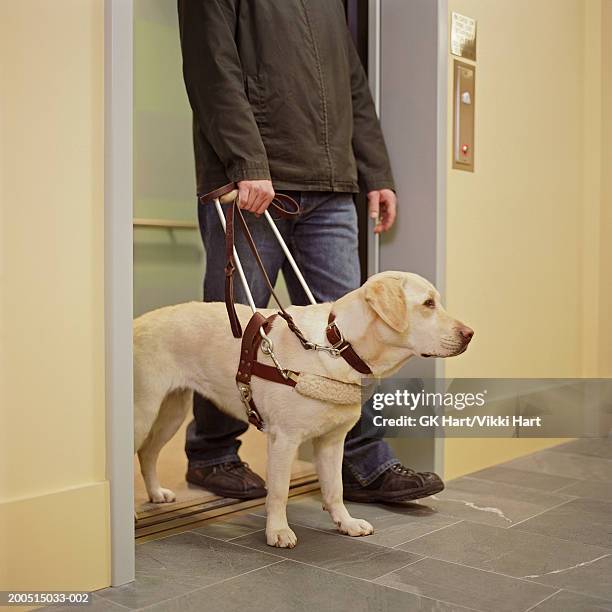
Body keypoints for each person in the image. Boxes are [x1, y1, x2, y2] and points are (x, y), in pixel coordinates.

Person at [177, 0, 444, 502]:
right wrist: (246, 159)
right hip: (253, 185)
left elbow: (353, 89)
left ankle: (362, 463)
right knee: (236, 326)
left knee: (357, 331)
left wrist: (376, 173)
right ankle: (212, 453)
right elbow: (211, 65)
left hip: (331, 186)